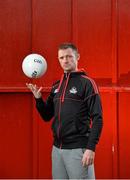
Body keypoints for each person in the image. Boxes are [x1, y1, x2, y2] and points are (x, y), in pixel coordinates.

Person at [26, 43, 103, 179]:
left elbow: (98, 118)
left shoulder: (87, 83)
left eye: (69, 56)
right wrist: (38, 99)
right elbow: (46, 116)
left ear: (77, 57)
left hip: (78, 150)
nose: (65, 60)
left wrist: (90, 148)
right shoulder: (57, 85)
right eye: (61, 58)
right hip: (57, 150)